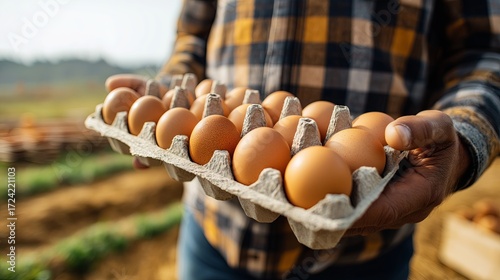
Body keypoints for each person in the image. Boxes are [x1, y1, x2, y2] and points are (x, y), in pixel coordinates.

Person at [106, 0, 500, 279]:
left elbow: (486, 48)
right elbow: (192, 34)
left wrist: (465, 139)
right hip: (212, 232)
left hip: (366, 255)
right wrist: (173, 91)